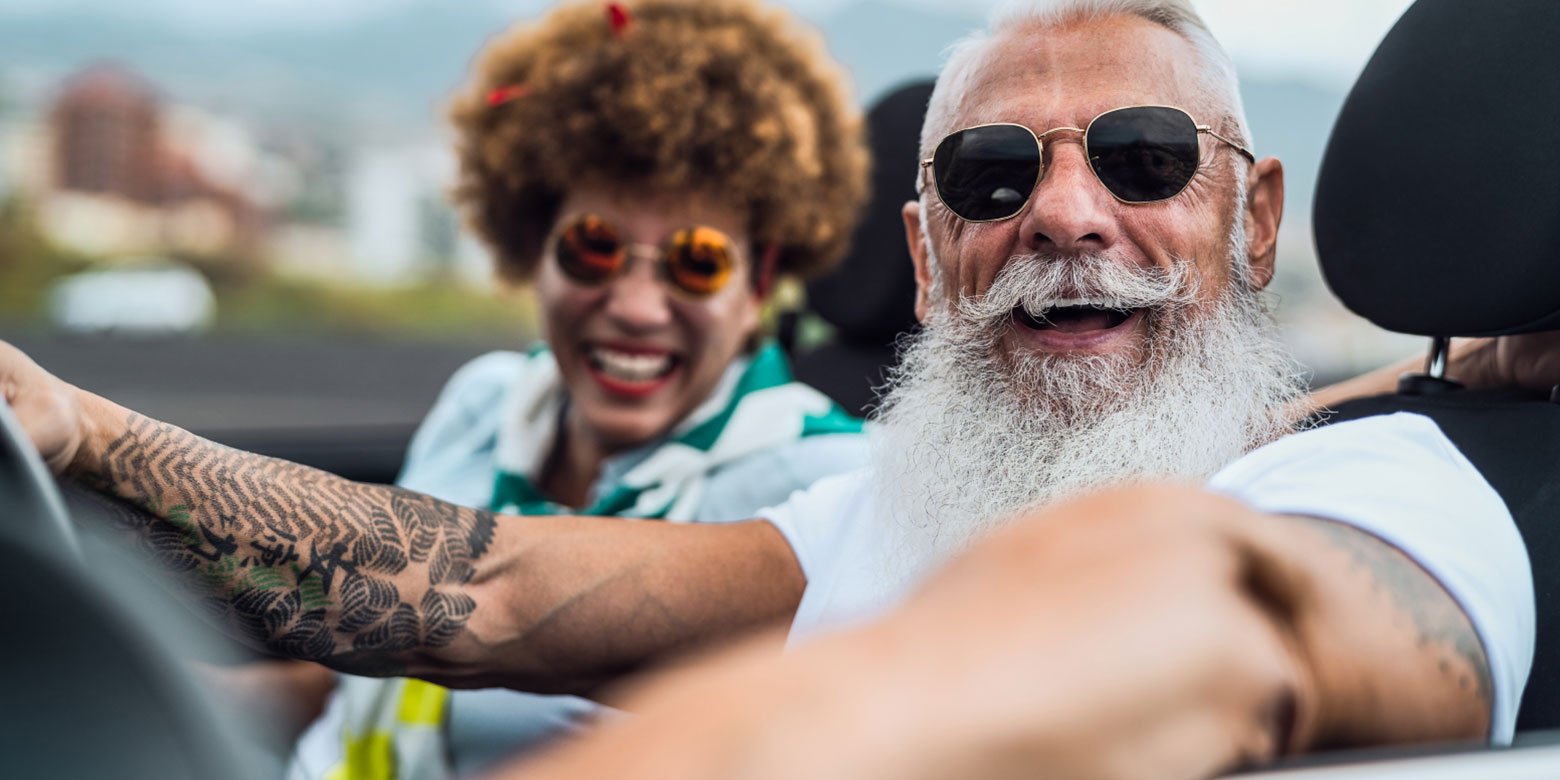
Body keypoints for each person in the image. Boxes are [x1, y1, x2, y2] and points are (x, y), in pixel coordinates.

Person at [0, 0, 1550, 775]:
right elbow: (505, 592)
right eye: (993, 176)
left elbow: (1236, 614)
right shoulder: (874, 502)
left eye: (1145, 161)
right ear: (931, 256)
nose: (1067, 216)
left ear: (1255, 219)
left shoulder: (1381, 486)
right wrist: (70, 422)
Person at [264, 0, 871, 776]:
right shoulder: (484, 403)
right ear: (534, 248)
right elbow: (344, 683)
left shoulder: (825, 489)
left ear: (757, 286)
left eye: (697, 262)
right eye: (592, 248)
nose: (635, 308)